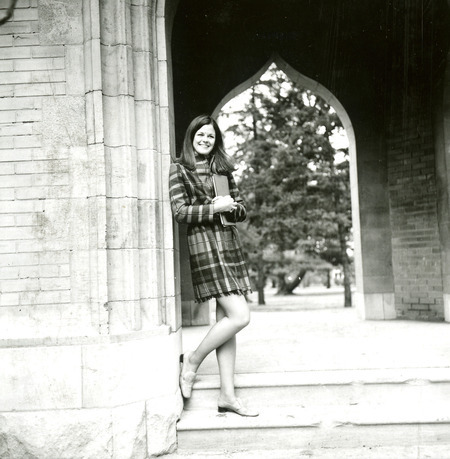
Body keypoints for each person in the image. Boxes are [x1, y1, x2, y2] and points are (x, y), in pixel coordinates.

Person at [168, 114, 258, 417]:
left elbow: (241, 209)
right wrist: (212, 208)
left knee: (227, 323)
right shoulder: (179, 169)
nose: (205, 140)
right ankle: (192, 361)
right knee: (240, 316)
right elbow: (180, 211)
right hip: (205, 247)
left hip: (228, 245)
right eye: (200, 135)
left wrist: (232, 207)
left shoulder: (222, 170)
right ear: (191, 138)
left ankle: (227, 395)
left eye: (210, 136)